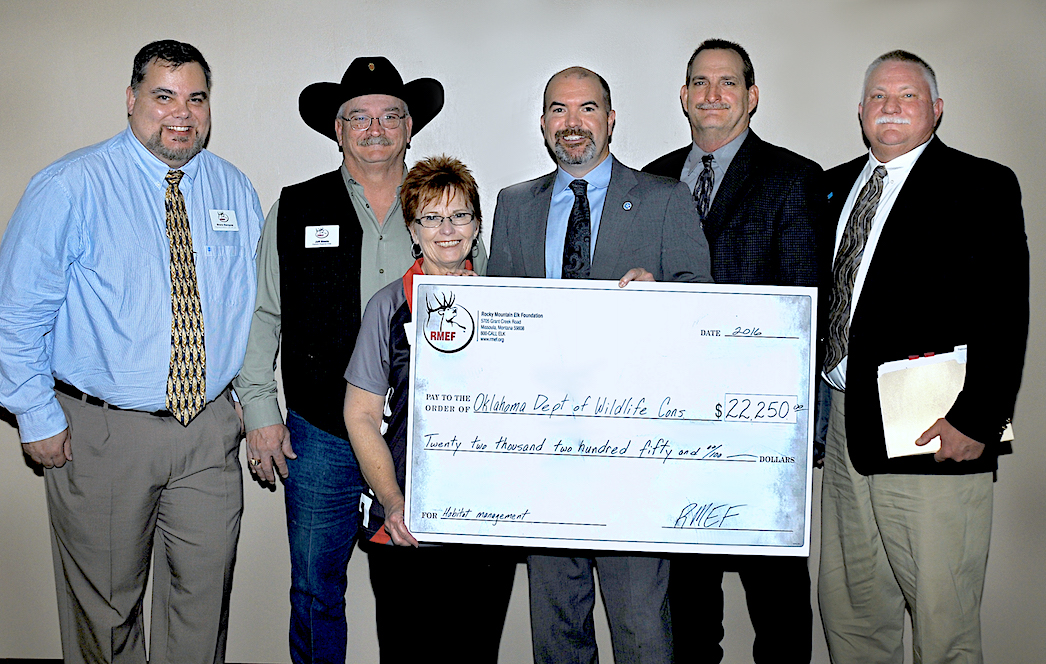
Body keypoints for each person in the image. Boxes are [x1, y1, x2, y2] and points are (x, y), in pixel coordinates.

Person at [0, 40, 263, 664]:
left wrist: (250, 409)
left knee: (203, 604)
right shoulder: (70, 186)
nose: (182, 113)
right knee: (107, 609)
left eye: (196, 98)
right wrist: (35, 414)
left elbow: (254, 312)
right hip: (102, 435)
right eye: (163, 95)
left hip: (207, 432)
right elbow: (16, 312)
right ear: (131, 100)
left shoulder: (233, 189)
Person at [232, 57, 484, 664]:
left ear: (409, 126)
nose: (376, 128)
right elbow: (263, 315)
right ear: (337, 130)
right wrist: (261, 413)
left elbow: (487, 314)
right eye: (358, 117)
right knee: (316, 588)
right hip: (319, 436)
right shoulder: (295, 207)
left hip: (419, 441)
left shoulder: (442, 211)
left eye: (390, 115)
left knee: (420, 593)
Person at [488, 66, 712, 664]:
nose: (572, 123)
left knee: (641, 628)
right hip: (544, 452)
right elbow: (498, 330)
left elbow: (704, 312)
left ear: (611, 119)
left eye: (588, 108)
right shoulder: (513, 206)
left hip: (635, 452)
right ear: (542, 124)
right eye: (558, 110)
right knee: (555, 629)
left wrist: (663, 293)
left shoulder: (666, 199)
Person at [817, 50, 1028, 663]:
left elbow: (1005, 308)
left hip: (934, 431)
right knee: (852, 615)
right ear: (860, 112)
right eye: (878, 96)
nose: (890, 106)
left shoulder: (982, 184)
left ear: (936, 109)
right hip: (845, 428)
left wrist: (978, 419)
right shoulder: (833, 187)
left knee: (943, 621)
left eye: (907, 96)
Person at [643, 39, 820, 664]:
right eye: (699, 82)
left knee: (776, 604)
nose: (712, 95)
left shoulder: (793, 177)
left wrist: (800, 424)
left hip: (760, 428)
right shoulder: (653, 177)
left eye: (727, 83)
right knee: (689, 606)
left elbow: (804, 306)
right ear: (683, 96)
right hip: (676, 423)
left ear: (751, 96)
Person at [343, 155, 514, 663]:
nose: (447, 229)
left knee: (475, 654)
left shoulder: (510, 304)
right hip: (406, 527)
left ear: (477, 226)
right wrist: (394, 503)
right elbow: (360, 417)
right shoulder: (387, 306)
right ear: (413, 230)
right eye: (431, 218)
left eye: (459, 215)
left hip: (486, 527)